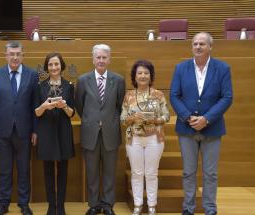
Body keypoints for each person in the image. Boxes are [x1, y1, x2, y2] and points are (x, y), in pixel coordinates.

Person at [169, 32, 233, 215]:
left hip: (212, 128)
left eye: (202, 44)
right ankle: (188, 208)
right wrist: (188, 117)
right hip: (186, 128)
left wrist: (206, 118)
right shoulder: (181, 68)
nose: (198, 47)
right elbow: (174, 95)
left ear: (210, 47)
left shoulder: (222, 68)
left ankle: (210, 209)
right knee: (188, 172)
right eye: (195, 44)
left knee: (210, 174)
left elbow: (227, 97)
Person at [75, 44, 125, 215]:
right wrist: (92, 121)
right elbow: (80, 106)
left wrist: (107, 121)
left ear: (109, 59)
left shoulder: (118, 80)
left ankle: (107, 205)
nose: (101, 60)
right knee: (92, 171)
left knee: (110, 172)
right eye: (98, 57)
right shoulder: (83, 80)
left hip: (110, 133)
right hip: (90, 133)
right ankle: (94, 205)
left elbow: (119, 106)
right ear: (93, 59)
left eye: (104, 57)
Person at [0, 41, 39, 215]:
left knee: (24, 169)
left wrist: (35, 130)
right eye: (12, 54)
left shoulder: (32, 74)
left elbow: (35, 104)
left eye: (18, 54)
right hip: (2, 132)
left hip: (25, 131)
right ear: (6, 55)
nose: (15, 57)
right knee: (4, 170)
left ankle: (24, 204)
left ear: (23, 55)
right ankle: (4, 203)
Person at [120, 60, 170, 215]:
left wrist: (154, 119)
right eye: (139, 73)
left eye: (146, 73)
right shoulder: (128, 96)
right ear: (134, 77)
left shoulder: (158, 95)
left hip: (154, 138)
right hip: (133, 138)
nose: (143, 76)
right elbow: (122, 120)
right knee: (136, 172)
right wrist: (132, 117)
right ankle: (137, 204)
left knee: (151, 172)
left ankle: (152, 205)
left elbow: (166, 116)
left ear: (151, 76)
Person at [34, 52, 75, 215]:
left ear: (61, 66)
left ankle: (61, 205)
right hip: (46, 131)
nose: (53, 67)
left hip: (63, 130)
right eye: (50, 65)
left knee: (63, 170)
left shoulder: (69, 85)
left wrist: (64, 106)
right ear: (46, 67)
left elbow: (72, 113)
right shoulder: (40, 86)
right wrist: (44, 106)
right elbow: (36, 113)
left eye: (56, 64)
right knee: (48, 171)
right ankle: (51, 206)